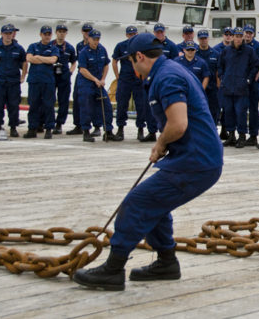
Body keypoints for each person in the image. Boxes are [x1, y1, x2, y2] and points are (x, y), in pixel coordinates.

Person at [73, 32, 223, 291]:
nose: (132, 67)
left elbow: (178, 124)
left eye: (131, 61)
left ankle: (113, 269)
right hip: (195, 157)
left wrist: (160, 144)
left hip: (196, 161)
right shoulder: (171, 70)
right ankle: (167, 263)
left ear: (139, 57)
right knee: (156, 204)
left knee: (138, 202)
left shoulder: (166, 77)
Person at [218, 27, 259, 148]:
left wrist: (248, 79)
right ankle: (231, 135)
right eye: (236, 36)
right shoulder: (226, 50)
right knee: (228, 112)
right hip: (228, 86)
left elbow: (255, 66)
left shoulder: (249, 51)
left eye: (240, 36)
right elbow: (220, 65)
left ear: (242, 37)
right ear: (233, 37)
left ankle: (242, 136)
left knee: (240, 112)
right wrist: (222, 77)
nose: (238, 38)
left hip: (242, 88)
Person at [112, 26, 157, 141]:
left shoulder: (141, 47)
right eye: (130, 34)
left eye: (134, 34)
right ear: (127, 35)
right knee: (122, 104)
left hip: (138, 80)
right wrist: (117, 76)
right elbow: (114, 60)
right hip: (125, 79)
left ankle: (140, 129)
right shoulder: (120, 46)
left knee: (141, 105)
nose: (132, 36)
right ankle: (120, 129)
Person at [77, 29, 121, 142]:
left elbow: (106, 65)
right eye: (94, 39)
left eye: (97, 39)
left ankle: (108, 131)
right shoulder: (84, 52)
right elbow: (82, 69)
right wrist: (95, 79)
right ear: (89, 39)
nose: (96, 41)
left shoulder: (102, 49)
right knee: (86, 106)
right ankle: (86, 132)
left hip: (99, 82)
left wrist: (102, 79)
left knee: (106, 106)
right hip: (86, 82)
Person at [0, 24, 27, 137]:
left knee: (13, 106)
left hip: (13, 82)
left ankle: (13, 127)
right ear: (2, 34)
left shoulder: (19, 48)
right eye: (6, 33)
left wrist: (23, 76)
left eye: (10, 33)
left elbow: (24, 62)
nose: (8, 36)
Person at [23, 26, 60, 139]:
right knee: (33, 105)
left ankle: (48, 128)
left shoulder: (54, 48)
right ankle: (32, 128)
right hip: (34, 81)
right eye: (45, 34)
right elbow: (29, 58)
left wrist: (38, 57)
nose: (47, 36)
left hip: (48, 81)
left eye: (49, 34)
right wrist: (45, 59)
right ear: (41, 34)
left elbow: (53, 60)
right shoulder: (33, 46)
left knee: (48, 105)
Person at [66, 23, 93, 136]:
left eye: (89, 31)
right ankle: (78, 125)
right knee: (77, 99)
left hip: (92, 75)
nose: (87, 33)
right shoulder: (79, 45)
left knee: (91, 101)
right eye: (85, 31)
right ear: (82, 32)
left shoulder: (96, 46)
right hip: (81, 74)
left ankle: (94, 125)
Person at [52, 25, 76, 135]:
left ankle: (59, 124)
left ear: (66, 33)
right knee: (49, 99)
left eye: (64, 32)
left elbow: (74, 61)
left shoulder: (70, 47)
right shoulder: (50, 45)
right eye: (60, 31)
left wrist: (70, 72)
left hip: (64, 77)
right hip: (51, 75)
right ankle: (48, 122)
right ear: (56, 32)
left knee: (63, 101)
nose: (61, 34)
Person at [243, 24, 259, 146]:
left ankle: (253, 135)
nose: (248, 35)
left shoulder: (258, 46)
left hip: (254, 81)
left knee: (253, 109)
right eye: (246, 32)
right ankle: (241, 134)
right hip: (242, 81)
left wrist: (257, 76)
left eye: (250, 33)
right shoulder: (240, 44)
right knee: (241, 108)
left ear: (253, 34)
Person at [213, 27, 234, 139]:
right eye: (226, 34)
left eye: (230, 34)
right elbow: (217, 67)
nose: (228, 36)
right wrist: (218, 82)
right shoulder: (216, 49)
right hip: (220, 82)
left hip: (231, 83)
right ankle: (214, 130)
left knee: (228, 109)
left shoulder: (235, 49)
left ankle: (225, 130)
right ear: (223, 35)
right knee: (217, 107)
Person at [196, 30, 220, 127]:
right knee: (199, 110)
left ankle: (213, 130)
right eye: (201, 38)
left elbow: (218, 70)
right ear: (198, 39)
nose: (203, 40)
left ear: (208, 39)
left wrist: (218, 85)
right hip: (198, 87)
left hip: (212, 87)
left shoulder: (215, 53)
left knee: (213, 110)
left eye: (205, 38)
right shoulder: (194, 53)